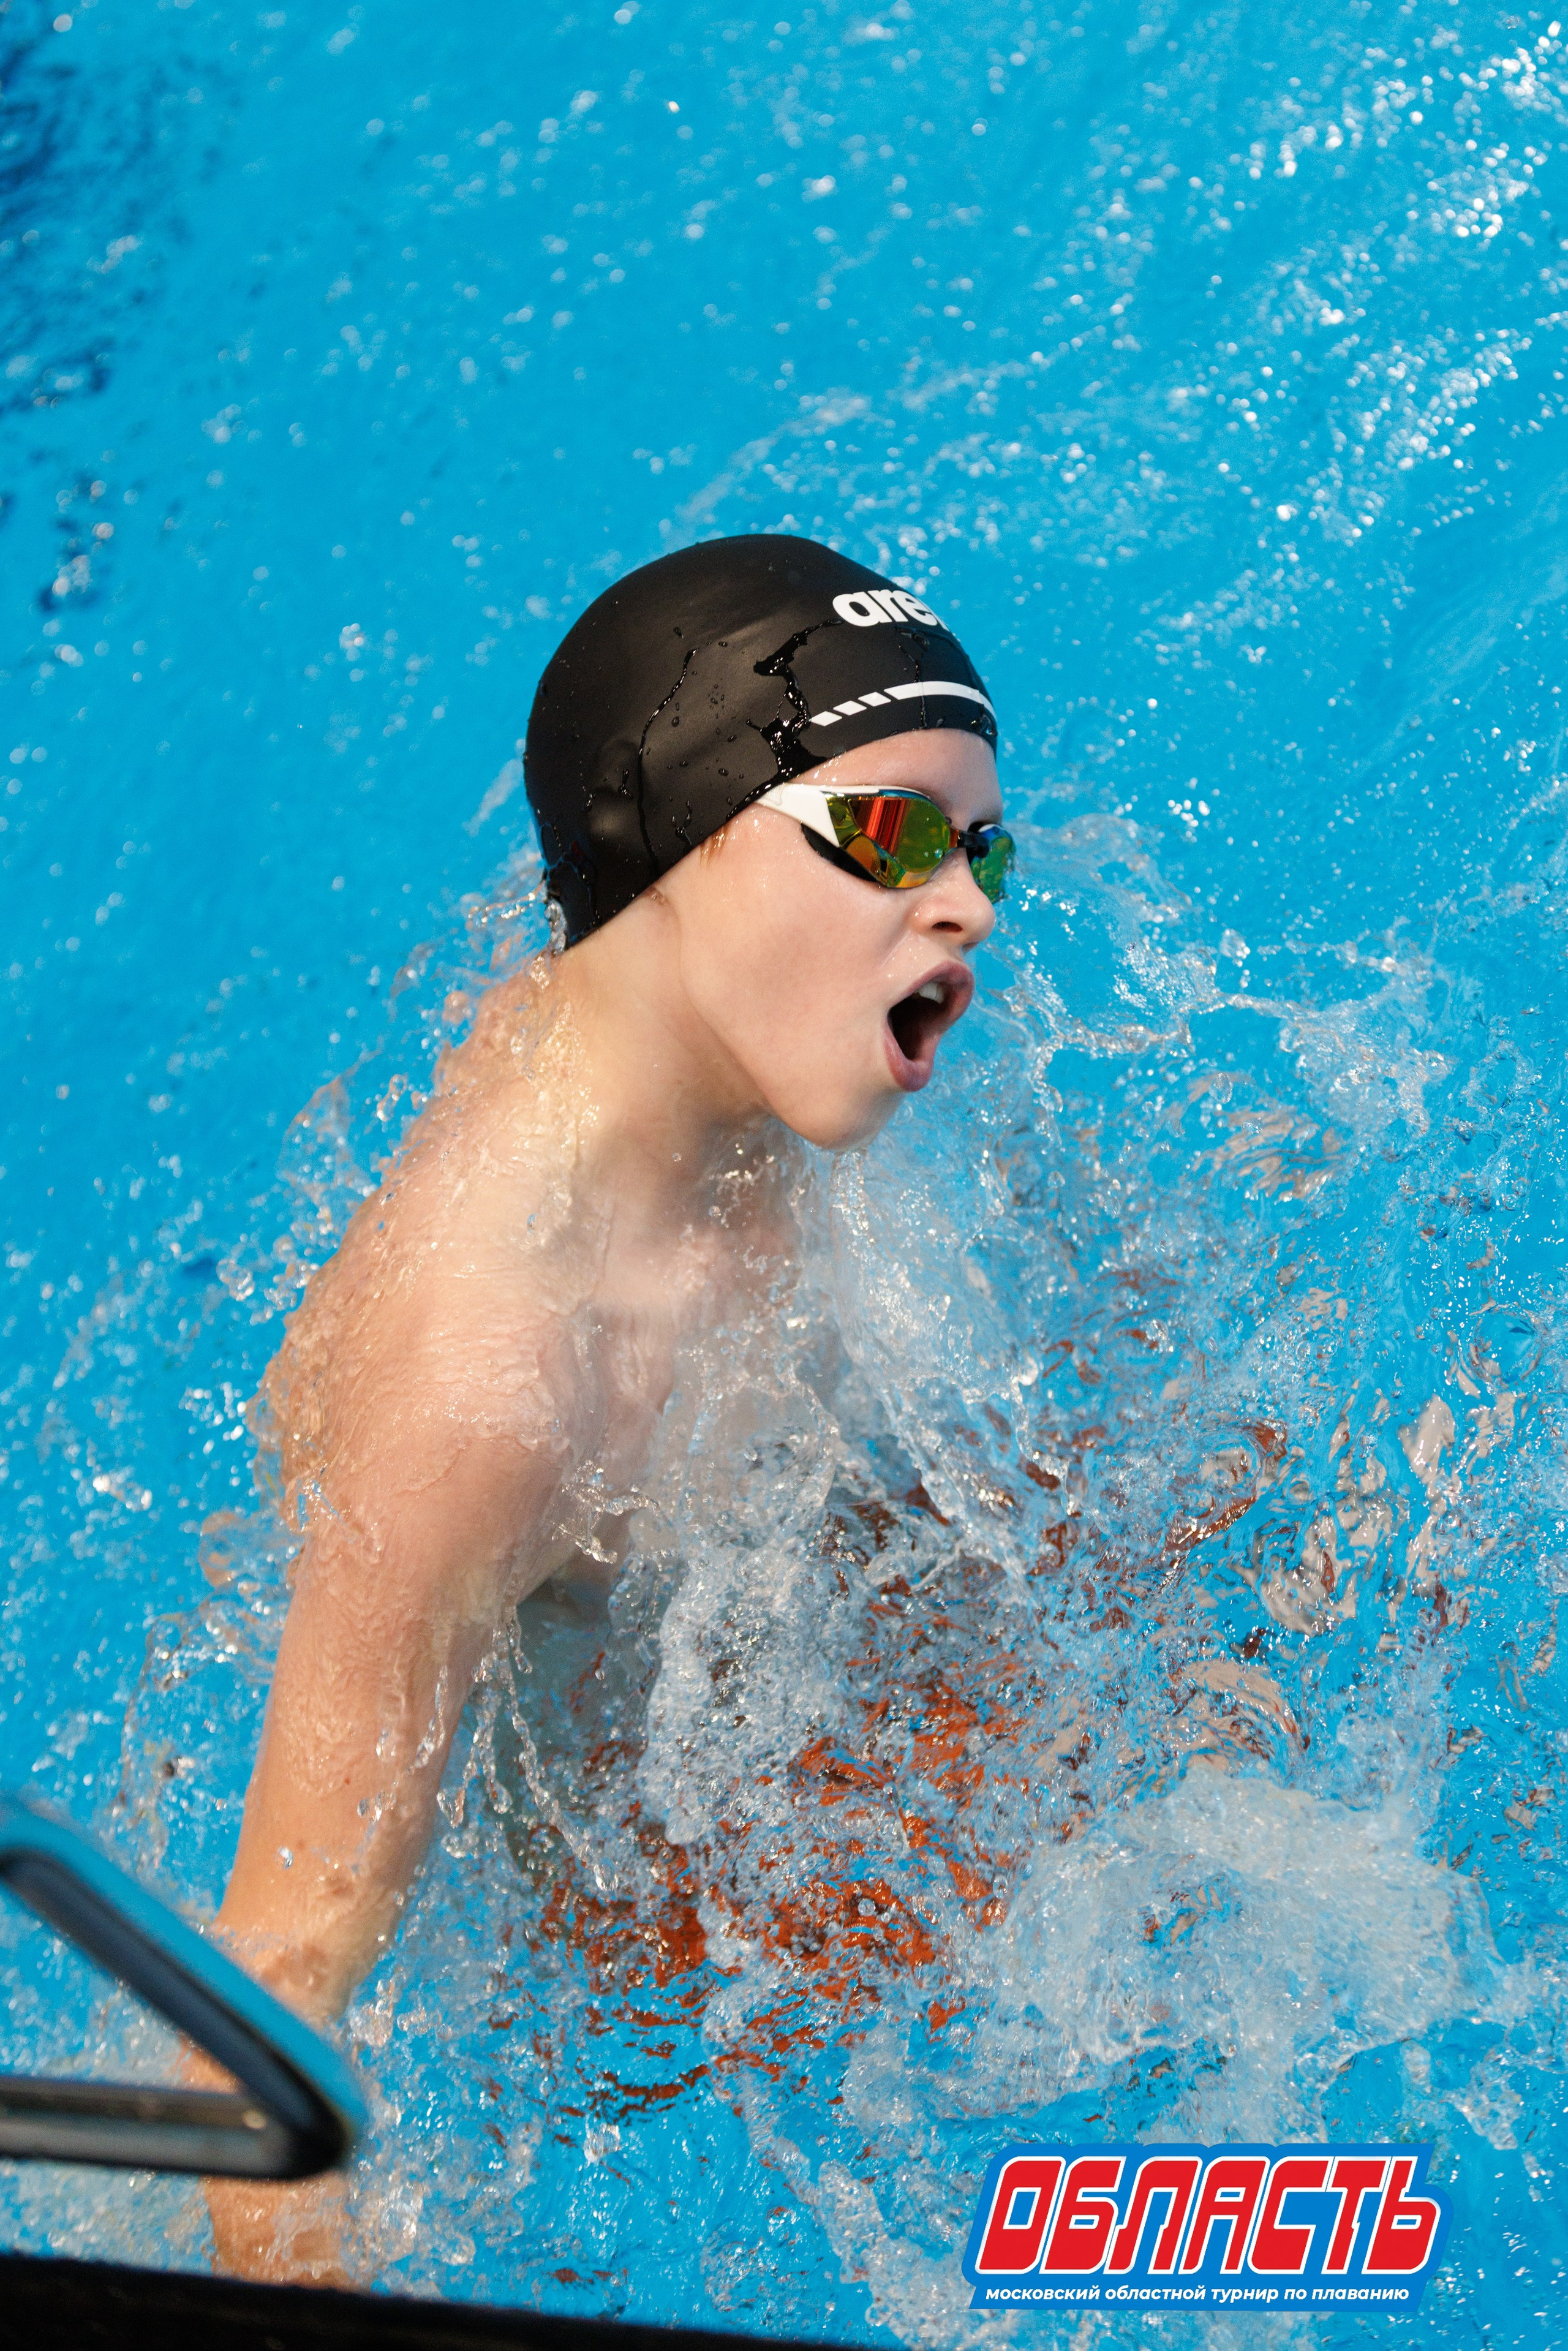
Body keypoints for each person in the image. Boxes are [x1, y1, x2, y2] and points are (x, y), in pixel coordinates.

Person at [197, 532, 1013, 2281]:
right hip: (635, 1913)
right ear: (681, 852)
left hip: (748, 1622)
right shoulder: (482, 1363)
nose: (968, 904)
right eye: (891, 836)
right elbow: (271, 1979)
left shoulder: (733, 1084)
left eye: (982, 847)